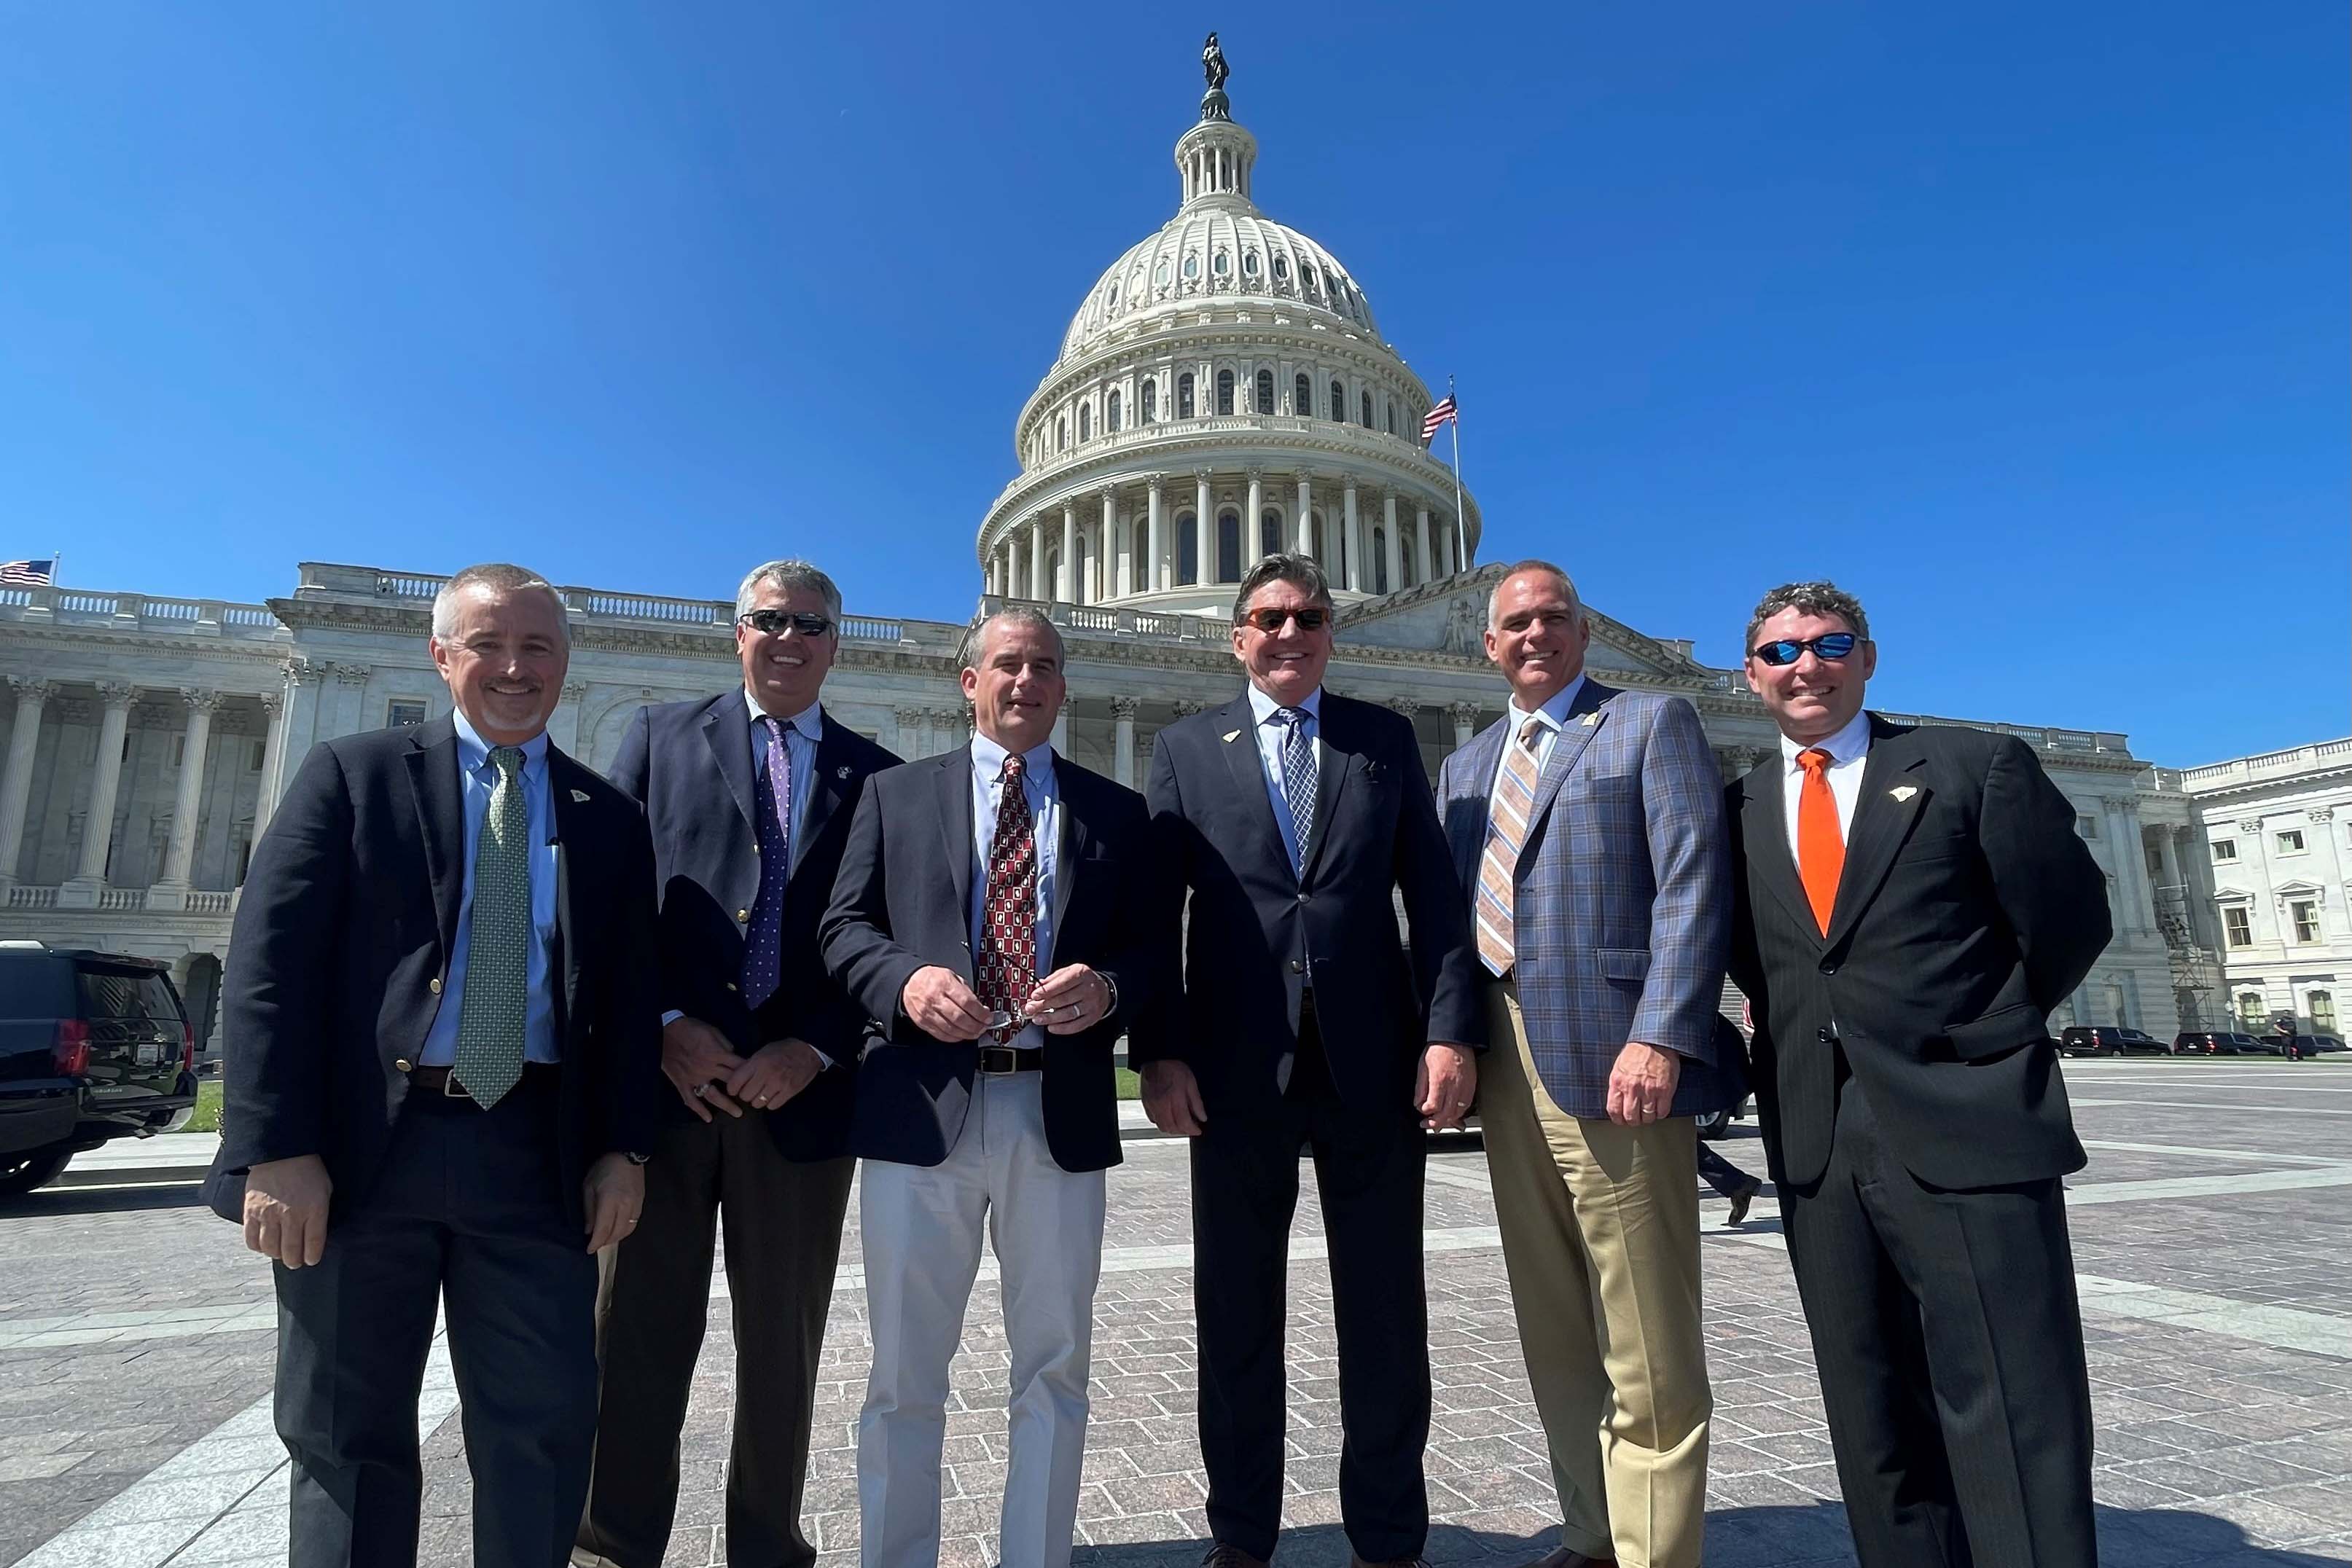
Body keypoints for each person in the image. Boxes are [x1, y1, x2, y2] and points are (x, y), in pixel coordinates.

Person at [206, 562, 660, 1568]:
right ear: (441, 656)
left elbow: (627, 1006)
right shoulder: (350, 773)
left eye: (537, 647)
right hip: (364, 1156)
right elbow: (268, 968)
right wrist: (275, 1148)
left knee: (540, 1434)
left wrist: (624, 1147)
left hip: (534, 1156)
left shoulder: (607, 819)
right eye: (489, 644)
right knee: (344, 1433)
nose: (513, 667)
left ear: (565, 664)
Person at [1724, 581, 2109, 1568]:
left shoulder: (1972, 765)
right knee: (1873, 1416)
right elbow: (1753, 955)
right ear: (1751, 675)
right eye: (1781, 652)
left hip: (1967, 1122)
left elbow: (2066, 916)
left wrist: (1983, 1031)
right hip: (1818, 1139)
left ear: (1868, 657)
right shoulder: (1740, 808)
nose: (1805, 665)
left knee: (2014, 1409)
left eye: (1829, 643)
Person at [1135, 553, 1482, 1568]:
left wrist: (1449, 1030)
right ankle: (1241, 1532)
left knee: (1384, 1316)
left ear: (1333, 632)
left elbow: (1438, 896)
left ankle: (1388, 1534)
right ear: (1237, 636)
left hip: (1373, 1060)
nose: (1290, 634)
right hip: (1236, 1067)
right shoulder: (1188, 748)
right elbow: (1157, 920)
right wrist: (1158, 1052)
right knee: (1236, 1314)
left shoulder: (1384, 739)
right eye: (1269, 619)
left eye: (1310, 617)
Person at [820, 608, 1163, 1568]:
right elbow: (842, 929)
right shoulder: (895, 795)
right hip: (921, 1107)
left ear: (1063, 687)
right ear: (967, 680)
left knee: (1055, 1367)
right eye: (1007, 665)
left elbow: (1151, 954)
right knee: (903, 1372)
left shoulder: (1115, 812)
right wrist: (906, 982)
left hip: (1056, 1110)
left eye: (1045, 668)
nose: (1027, 682)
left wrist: (1108, 988)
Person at [577, 560, 900, 1568]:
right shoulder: (658, 736)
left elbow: (884, 932)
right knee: (634, 1335)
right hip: (667, 1096)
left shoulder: (879, 776)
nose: (790, 637)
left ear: (834, 643)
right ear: (739, 632)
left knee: (782, 1351)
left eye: (811, 624)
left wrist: (814, 1048)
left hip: (798, 1104)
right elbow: (610, 906)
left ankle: (768, 1547)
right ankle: (612, 1547)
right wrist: (665, 1024)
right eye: (771, 620)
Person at [1434, 561, 1738, 1568]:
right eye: (1515, 623)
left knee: (1646, 1332)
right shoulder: (1467, 765)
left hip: (1616, 1053)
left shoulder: (1650, 723)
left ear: (1583, 631)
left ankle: (1658, 1551)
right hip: (1504, 1052)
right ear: (1488, 644)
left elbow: (1695, 883)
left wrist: (1662, 1031)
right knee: (1553, 1317)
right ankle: (1593, 1531)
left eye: (1553, 618)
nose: (1534, 636)